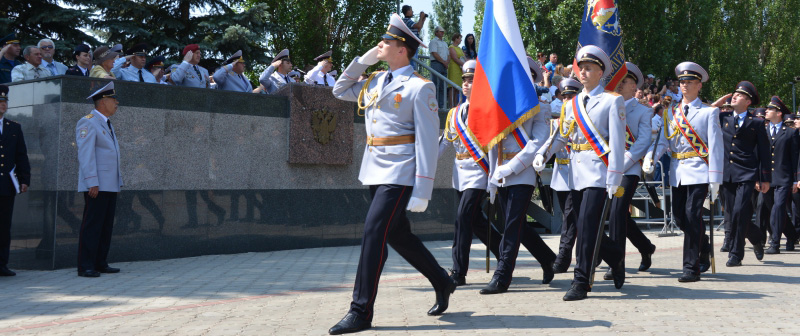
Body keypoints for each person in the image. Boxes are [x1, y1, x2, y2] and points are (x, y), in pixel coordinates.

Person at [328, 13, 456, 335]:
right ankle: (442, 280)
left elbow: (427, 141)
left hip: (401, 173)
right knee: (398, 235)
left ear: (402, 48)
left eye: (386, 41)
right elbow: (339, 89)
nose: (380, 44)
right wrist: (364, 59)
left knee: (373, 233)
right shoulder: (374, 81)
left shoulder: (420, 87)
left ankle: (360, 311)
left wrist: (423, 189)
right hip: (375, 170)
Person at [533, 45, 626, 300]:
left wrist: (614, 176)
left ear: (600, 73)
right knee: (586, 225)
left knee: (585, 227)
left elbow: (618, 143)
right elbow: (561, 136)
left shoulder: (612, 101)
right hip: (574, 174)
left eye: (589, 68)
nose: (583, 72)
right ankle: (616, 256)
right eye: (581, 68)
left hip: (599, 172)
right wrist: (544, 154)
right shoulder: (571, 104)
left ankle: (581, 281)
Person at [644, 62, 723, 282]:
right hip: (677, 171)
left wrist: (715, 178)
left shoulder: (709, 112)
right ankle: (703, 245)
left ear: (699, 85)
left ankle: (690, 267)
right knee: (680, 218)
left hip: (700, 170)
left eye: (690, 82)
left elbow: (716, 146)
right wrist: (651, 157)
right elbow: (664, 142)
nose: (685, 85)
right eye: (682, 82)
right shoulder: (671, 113)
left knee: (692, 215)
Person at [438, 59, 502, 286]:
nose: (466, 84)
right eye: (464, 80)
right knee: (475, 221)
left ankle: (458, 271)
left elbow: (493, 147)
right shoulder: (454, 113)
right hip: (460, 174)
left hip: (479, 172)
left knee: (462, 218)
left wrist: (493, 177)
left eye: (471, 80)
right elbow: (445, 143)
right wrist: (425, 162)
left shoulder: (487, 111)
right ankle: (504, 252)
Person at [600, 62, 656, 281]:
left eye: (625, 81)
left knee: (616, 212)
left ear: (634, 87)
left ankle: (616, 262)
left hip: (628, 169)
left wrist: (620, 164)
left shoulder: (643, 111)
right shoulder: (607, 106)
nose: (620, 84)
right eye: (619, 80)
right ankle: (645, 246)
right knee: (617, 214)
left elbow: (642, 142)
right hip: (606, 167)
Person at [716, 81, 770, 266]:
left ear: (748, 102)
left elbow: (764, 151)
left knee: (740, 211)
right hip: (727, 173)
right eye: (734, 94)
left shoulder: (756, 122)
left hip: (747, 172)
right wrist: (718, 102)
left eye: (739, 96)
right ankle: (756, 237)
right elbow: (704, 113)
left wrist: (764, 178)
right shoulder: (723, 117)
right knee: (733, 213)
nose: (734, 97)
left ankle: (736, 254)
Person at [75, 81, 123, 278]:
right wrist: (91, 181)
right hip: (97, 184)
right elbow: (85, 154)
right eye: (113, 99)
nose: (117, 103)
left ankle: (100, 262)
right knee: (93, 226)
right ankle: (85, 265)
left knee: (105, 226)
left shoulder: (106, 123)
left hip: (109, 184)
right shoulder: (88, 122)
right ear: (103, 101)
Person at [544, 77, 582, 274]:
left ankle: (563, 257)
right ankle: (601, 251)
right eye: (564, 97)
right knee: (573, 217)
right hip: (561, 175)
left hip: (578, 175)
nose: (567, 100)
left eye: (571, 96)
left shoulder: (584, 121)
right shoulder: (556, 123)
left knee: (570, 217)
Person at [755, 96, 798, 253]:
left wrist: (796, 179)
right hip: (767, 178)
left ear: (779, 113)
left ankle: (775, 243)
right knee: (774, 210)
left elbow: (796, 158)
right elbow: (758, 156)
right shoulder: (762, 131)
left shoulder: (791, 133)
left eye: (770, 109)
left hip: (784, 178)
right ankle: (792, 235)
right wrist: (758, 178)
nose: (766, 111)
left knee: (779, 208)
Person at [0, 84, 31, 276]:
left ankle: (2, 264)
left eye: (5, 101)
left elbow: (21, 155)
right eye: (0, 101)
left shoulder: (14, 127)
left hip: (6, 185)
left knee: (4, 226)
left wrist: (24, 179)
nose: (3, 104)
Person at [429, 26, 449, 109]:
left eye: (443, 31)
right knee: (436, 85)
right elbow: (434, 53)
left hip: (443, 65)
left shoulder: (445, 43)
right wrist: (444, 62)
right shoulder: (433, 41)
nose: (442, 33)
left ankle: (441, 105)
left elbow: (448, 54)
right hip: (436, 64)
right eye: (440, 31)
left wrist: (447, 62)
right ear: (436, 32)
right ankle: (434, 104)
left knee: (443, 86)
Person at [447, 34, 465, 107]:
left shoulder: (459, 48)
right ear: (456, 39)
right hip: (453, 69)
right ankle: (451, 105)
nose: (461, 40)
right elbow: (455, 58)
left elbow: (463, 57)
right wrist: (464, 65)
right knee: (452, 88)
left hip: (459, 70)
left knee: (457, 89)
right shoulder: (451, 47)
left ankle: (455, 106)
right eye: (460, 38)